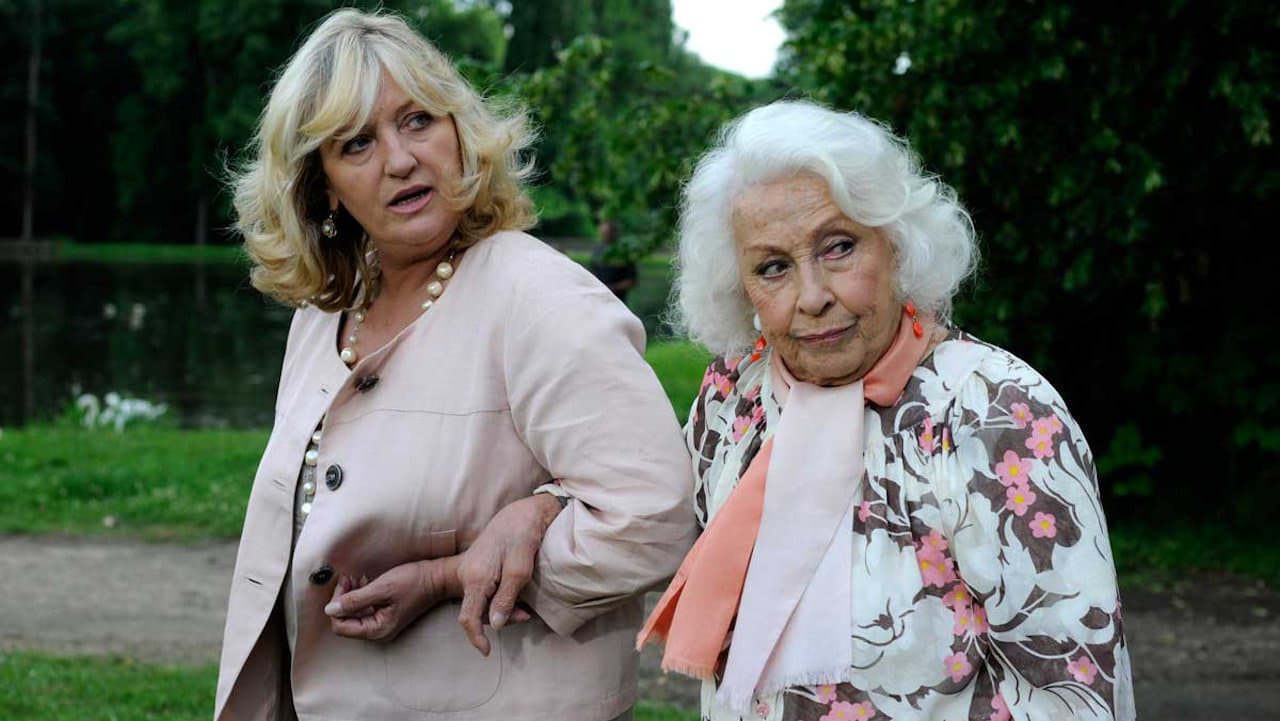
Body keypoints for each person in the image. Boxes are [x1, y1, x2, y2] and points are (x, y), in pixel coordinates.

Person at [216, 9, 696, 721]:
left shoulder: (539, 297)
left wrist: (450, 576)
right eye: (357, 143)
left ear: (460, 133)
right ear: (323, 186)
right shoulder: (323, 314)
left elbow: (655, 516)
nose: (401, 159)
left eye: (418, 121)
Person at [638, 101, 1135, 721]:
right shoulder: (735, 394)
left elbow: (1072, 692)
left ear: (897, 244)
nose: (813, 297)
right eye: (773, 267)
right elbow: (644, 513)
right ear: (741, 287)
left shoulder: (997, 412)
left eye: (839, 248)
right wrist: (550, 503)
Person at [587, 218, 637, 303]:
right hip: (598, 298)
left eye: (607, 232)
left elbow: (631, 281)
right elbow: (592, 273)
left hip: (617, 300)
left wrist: (612, 288)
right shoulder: (597, 251)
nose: (604, 235)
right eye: (603, 233)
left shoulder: (623, 252)